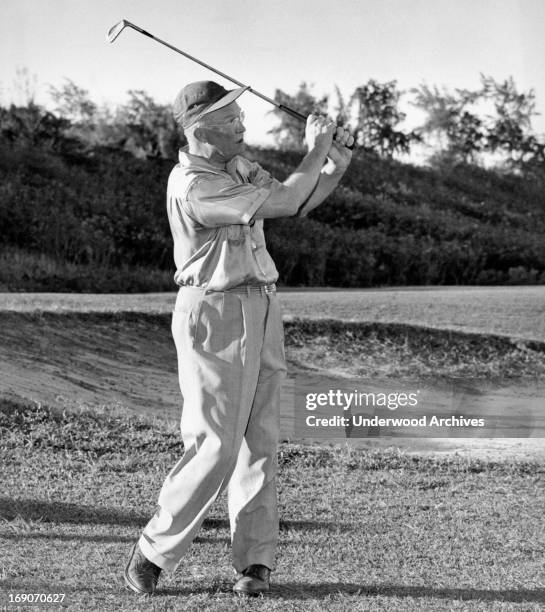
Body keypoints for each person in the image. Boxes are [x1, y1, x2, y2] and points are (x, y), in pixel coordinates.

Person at [124, 80, 353, 596]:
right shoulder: (195, 185)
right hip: (214, 311)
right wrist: (316, 145)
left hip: (263, 306)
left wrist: (336, 166)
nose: (243, 127)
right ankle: (154, 549)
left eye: (240, 118)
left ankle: (254, 564)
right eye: (232, 121)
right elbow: (290, 198)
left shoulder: (240, 168)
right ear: (202, 129)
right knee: (216, 444)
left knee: (260, 441)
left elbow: (299, 200)